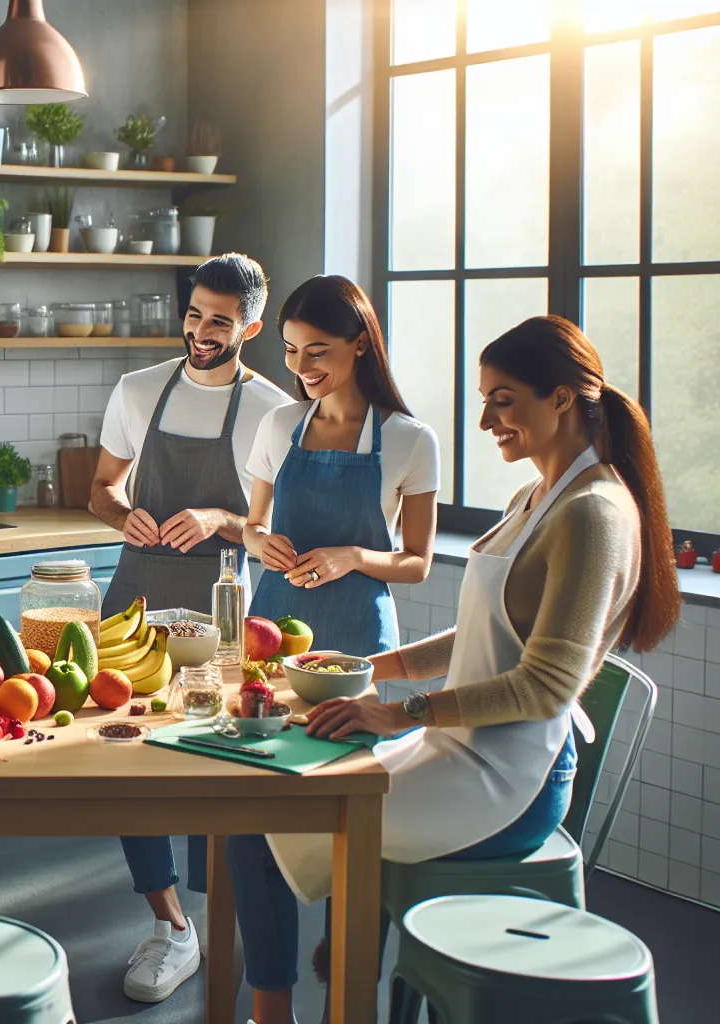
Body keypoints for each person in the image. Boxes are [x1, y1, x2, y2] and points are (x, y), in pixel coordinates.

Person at [232, 314, 679, 1024]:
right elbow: (481, 631)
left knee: (269, 808)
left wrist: (399, 711)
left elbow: (546, 687)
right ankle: (311, 1004)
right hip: (459, 751)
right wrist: (364, 667)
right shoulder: (536, 496)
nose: (485, 420)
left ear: (562, 397)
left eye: (503, 400)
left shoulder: (594, 514)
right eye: (484, 400)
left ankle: (294, 1010)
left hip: (508, 783)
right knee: (286, 777)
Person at [88, 253, 293, 1003]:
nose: (201, 331)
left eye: (219, 320)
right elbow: (102, 489)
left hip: (221, 612)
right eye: (194, 314)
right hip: (135, 600)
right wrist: (123, 511)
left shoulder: (273, 410)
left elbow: (272, 529)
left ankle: (228, 922)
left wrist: (220, 519)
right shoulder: (139, 390)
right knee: (124, 762)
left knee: (215, 770)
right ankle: (171, 924)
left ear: (251, 326)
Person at [244, 275, 439, 660]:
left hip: (360, 636)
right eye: (291, 349)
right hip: (272, 629)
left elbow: (417, 563)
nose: (301, 366)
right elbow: (252, 528)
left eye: (317, 352)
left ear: (361, 343)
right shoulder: (278, 425)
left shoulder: (412, 439)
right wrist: (263, 543)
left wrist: (352, 557)